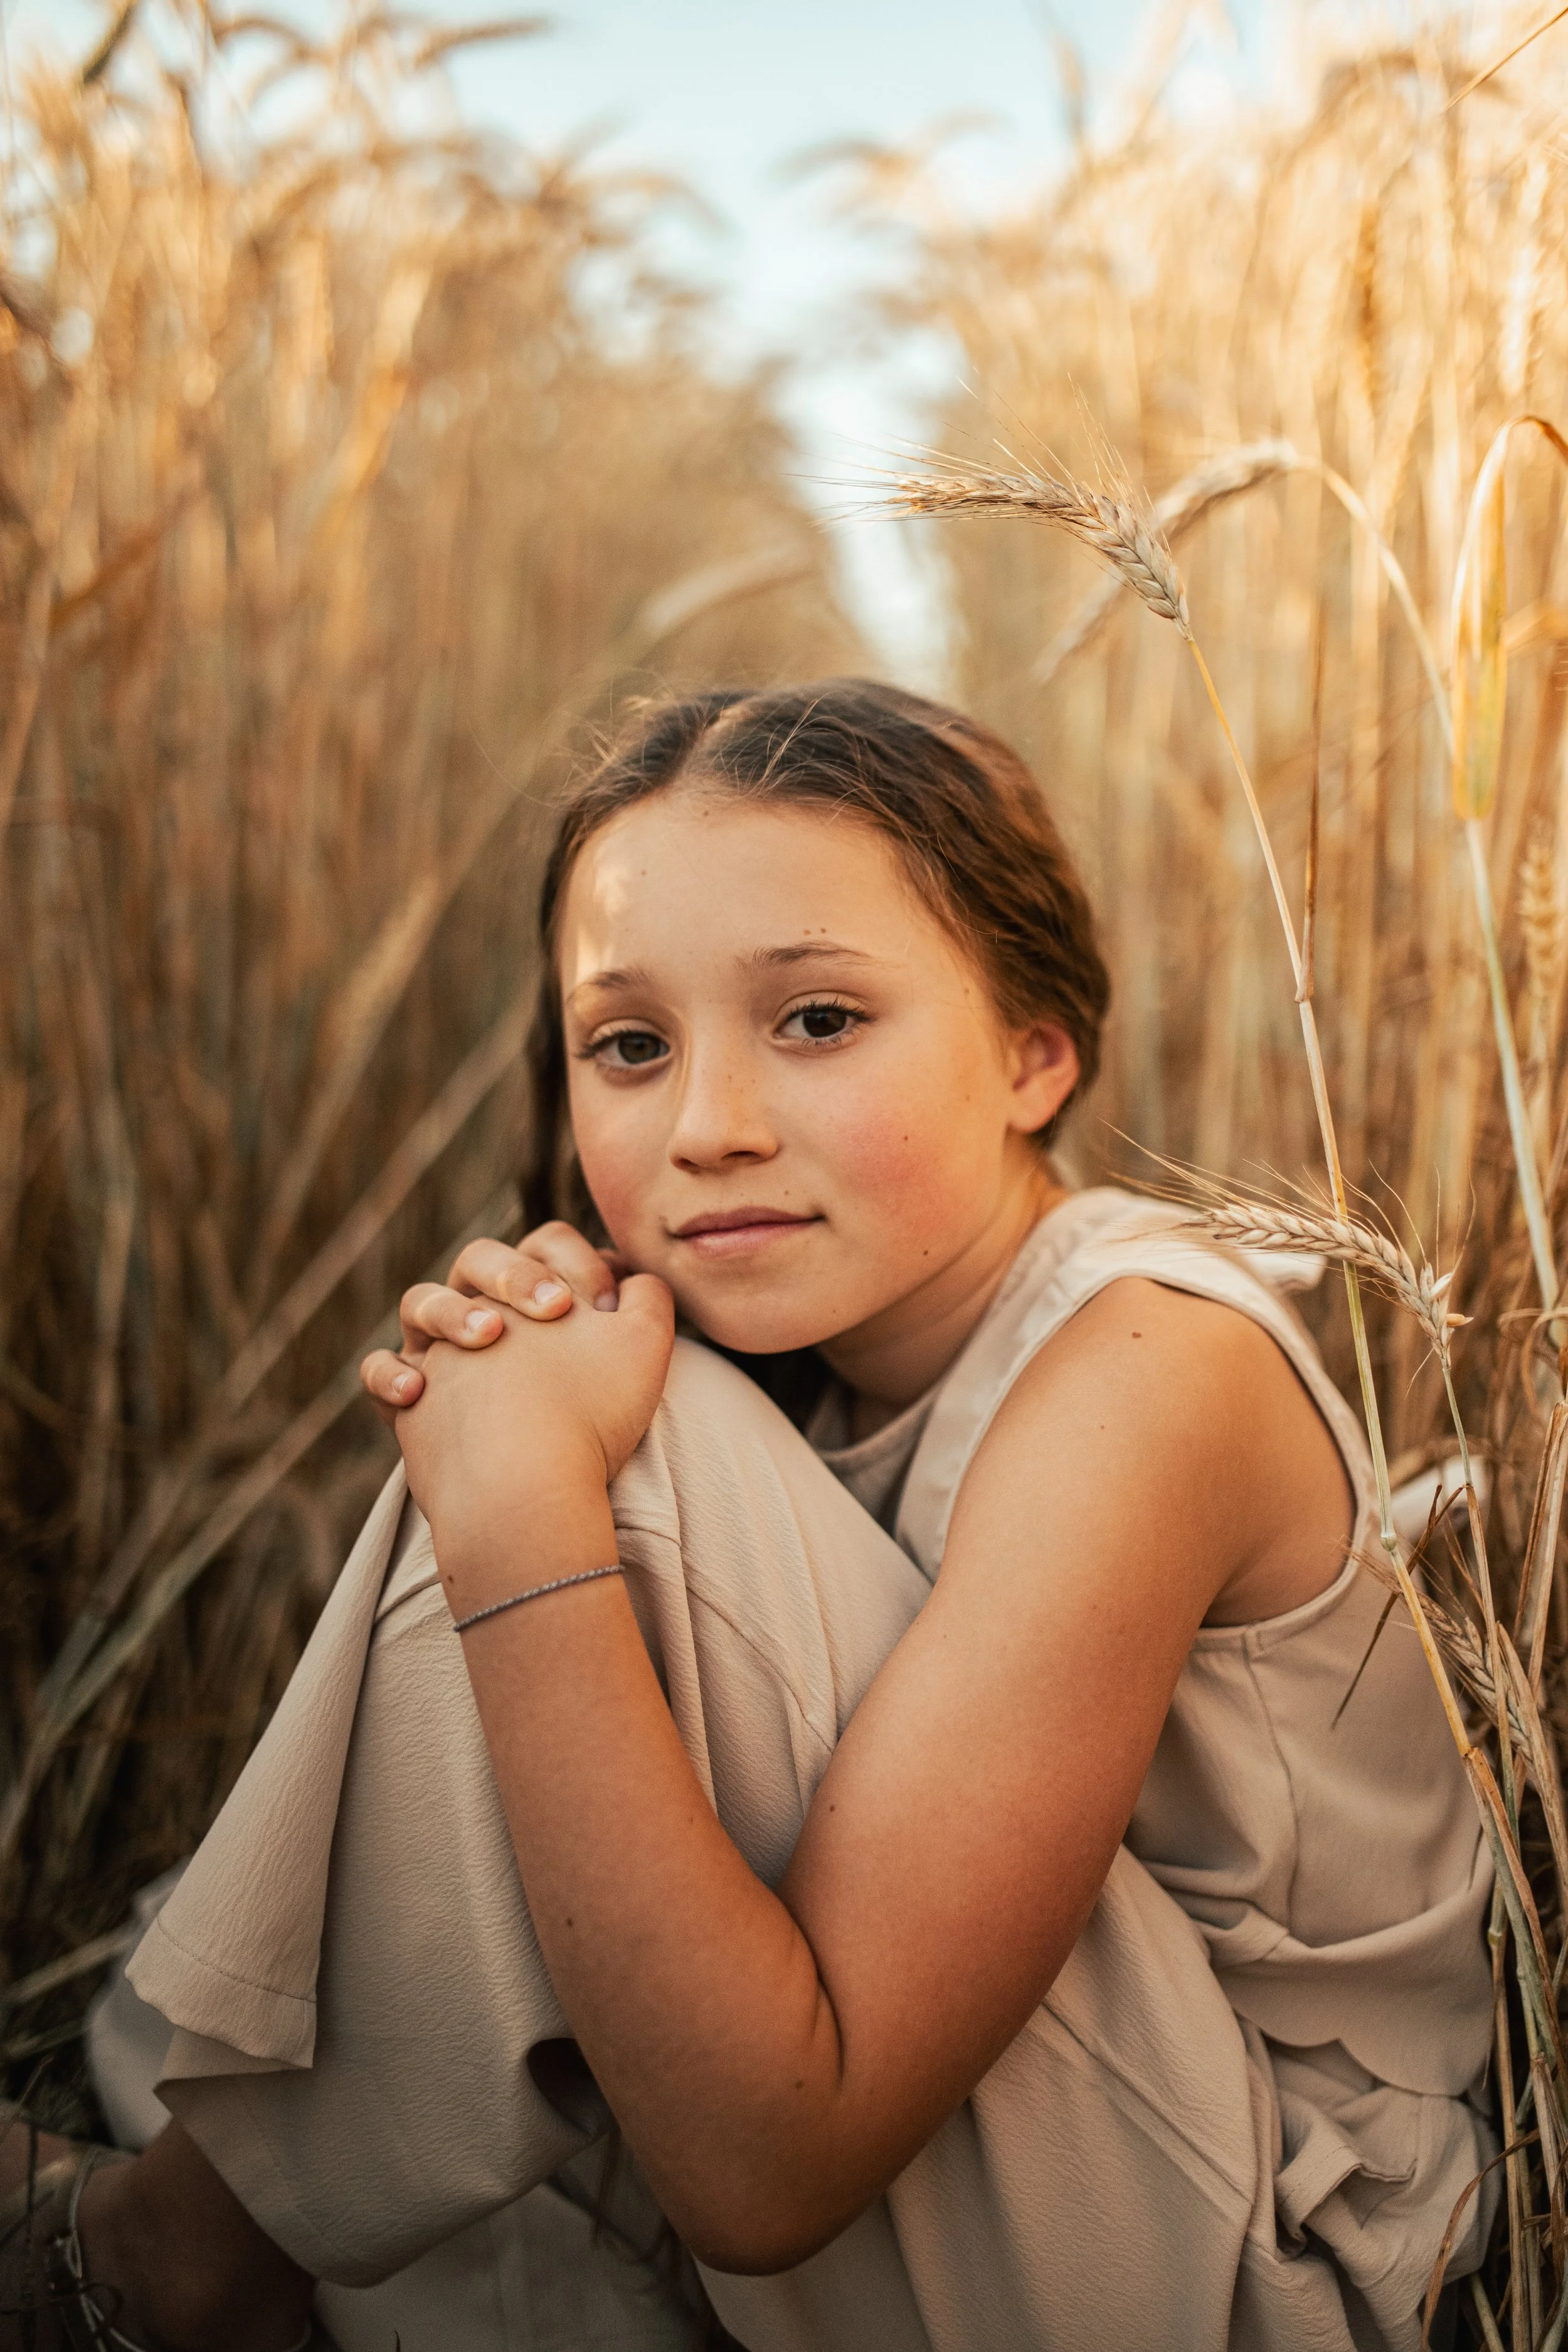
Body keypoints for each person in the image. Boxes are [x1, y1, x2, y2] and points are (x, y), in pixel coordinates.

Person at [1, 681, 1495, 2352]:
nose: (709, 1127)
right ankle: (241, 2223)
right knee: (232, 1999)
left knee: (620, 1460)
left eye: (819, 1019)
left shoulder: (1152, 1370)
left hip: (1274, 2259)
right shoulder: (819, 1358)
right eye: (630, 1045)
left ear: (1033, 1055)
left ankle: (160, 2265)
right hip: (1058, 2153)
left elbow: (771, 2165)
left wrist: (525, 1515)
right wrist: (539, 1388)